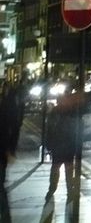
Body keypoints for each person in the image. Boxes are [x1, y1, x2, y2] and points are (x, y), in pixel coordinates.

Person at [44, 91, 82, 206]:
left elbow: (49, 129)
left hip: (59, 146)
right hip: (68, 145)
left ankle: (52, 189)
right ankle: (69, 190)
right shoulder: (72, 112)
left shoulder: (55, 112)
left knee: (56, 168)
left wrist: (49, 145)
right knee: (68, 170)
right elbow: (77, 130)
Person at [0, 81, 23, 223]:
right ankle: (5, 215)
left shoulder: (7, 106)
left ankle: (6, 215)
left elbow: (12, 130)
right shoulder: (7, 105)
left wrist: (9, 150)